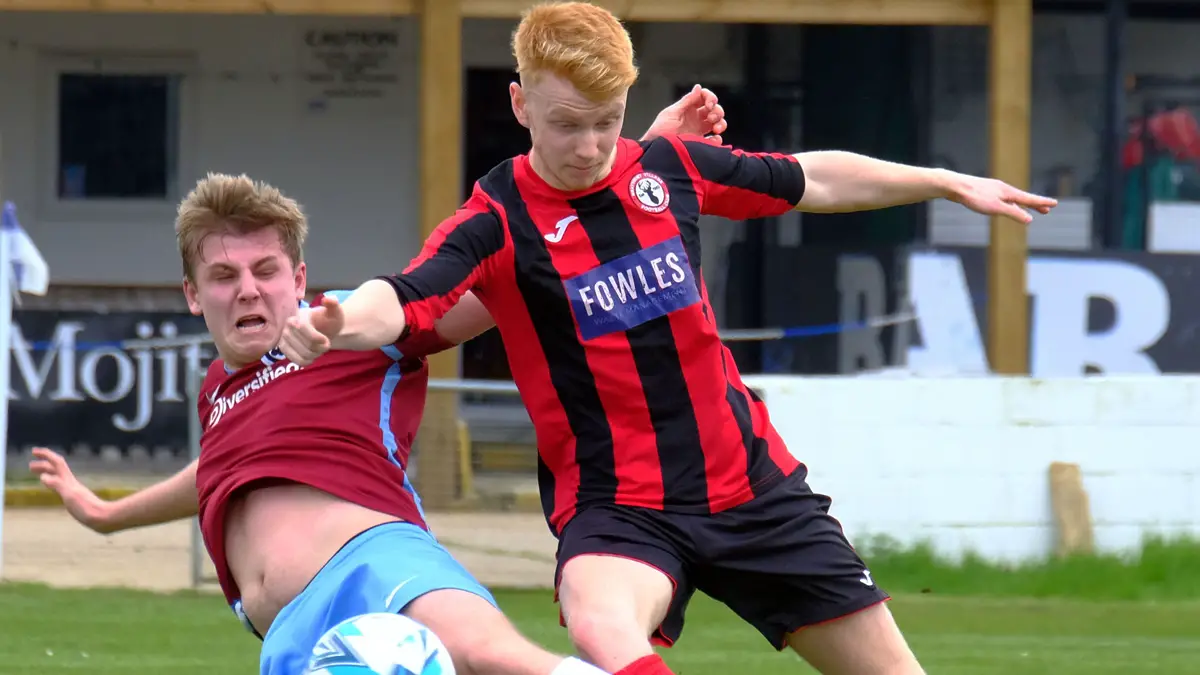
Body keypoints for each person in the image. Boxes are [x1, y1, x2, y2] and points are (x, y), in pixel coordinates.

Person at [279, 3, 1062, 675]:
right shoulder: (496, 216)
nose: (587, 147)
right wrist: (342, 321)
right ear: (518, 104)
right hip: (619, 506)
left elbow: (809, 178)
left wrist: (945, 180)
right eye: (564, 125)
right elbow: (412, 295)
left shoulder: (668, 168)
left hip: (751, 486)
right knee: (601, 623)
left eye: (605, 122)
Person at [28, 77, 728, 675]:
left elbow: (519, 271)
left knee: (492, 653)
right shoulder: (219, 388)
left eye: (266, 271)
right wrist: (104, 513)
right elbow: (213, 471)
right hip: (290, 633)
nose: (247, 289)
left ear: (297, 278)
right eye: (223, 275)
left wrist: (628, 169)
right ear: (192, 294)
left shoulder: (352, 329)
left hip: (379, 565)